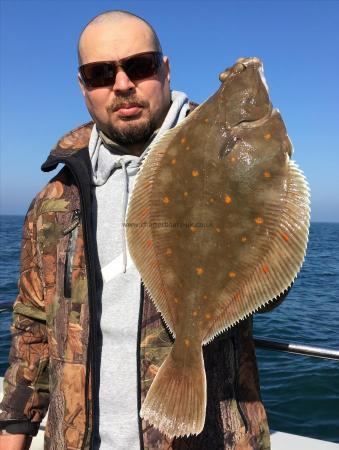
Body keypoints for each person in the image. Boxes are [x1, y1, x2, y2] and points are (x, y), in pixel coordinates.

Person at [0, 10, 289, 450]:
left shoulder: (224, 150)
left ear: (165, 69)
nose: (122, 84)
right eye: (100, 73)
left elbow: (274, 290)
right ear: (83, 86)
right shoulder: (54, 200)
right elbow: (33, 331)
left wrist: (266, 177)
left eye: (140, 66)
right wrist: (12, 435)